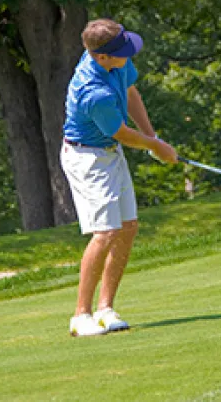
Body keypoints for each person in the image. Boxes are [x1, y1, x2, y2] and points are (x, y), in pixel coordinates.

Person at [61, 18, 177, 337]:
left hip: (109, 152)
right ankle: (80, 316)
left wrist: (153, 139)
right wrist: (155, 146)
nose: (129, 55)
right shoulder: (92, 90)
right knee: (105, 232)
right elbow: (121, 133)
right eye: (122, 51)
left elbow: (131, 92)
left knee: (128, 227)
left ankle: (105, 309)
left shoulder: (116, 63)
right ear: (101, 57)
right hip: (88, 158)